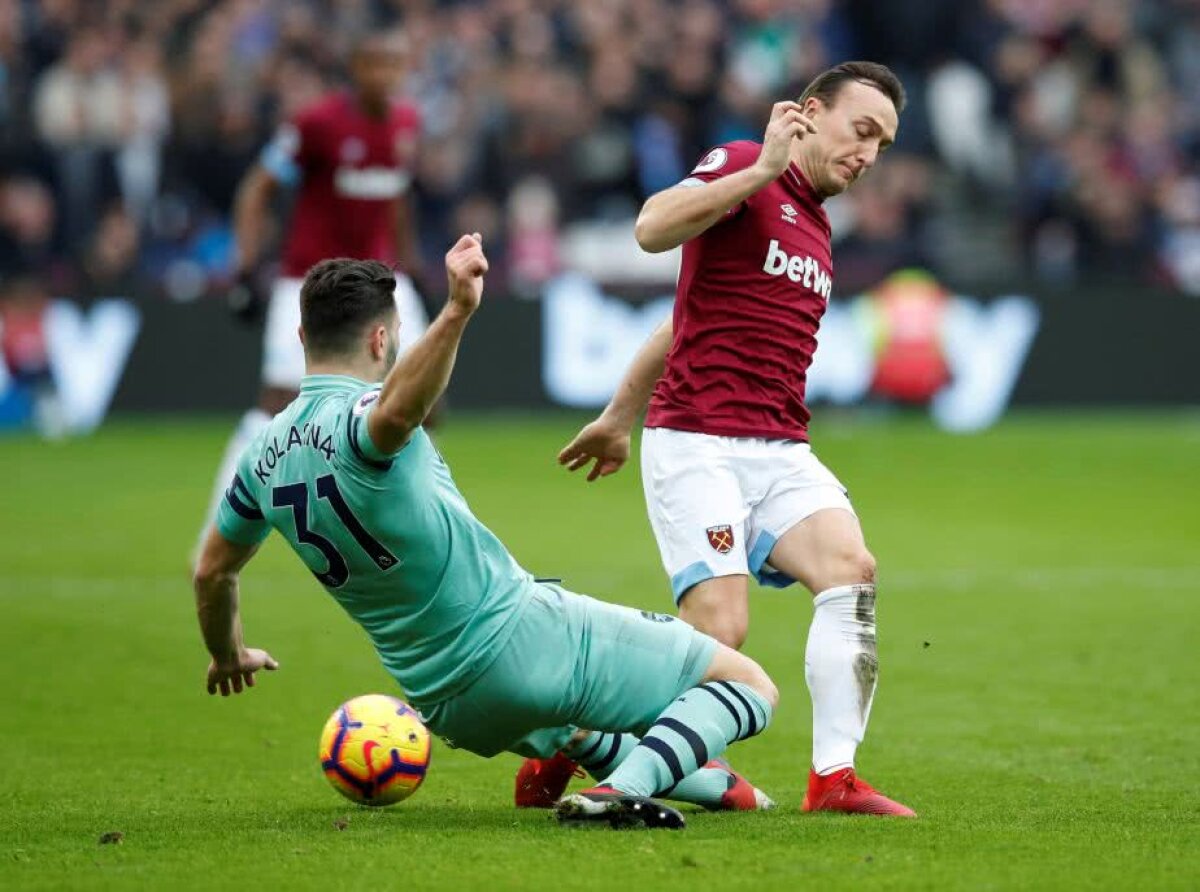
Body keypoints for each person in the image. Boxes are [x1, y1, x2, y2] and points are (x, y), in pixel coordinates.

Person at [192, 238, 779, 830]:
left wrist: (227, 653)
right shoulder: (362, 419)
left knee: (582, 732)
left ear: (300, 340)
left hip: (443, 703)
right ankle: (620, 792)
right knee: (748, 684)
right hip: (519, 640)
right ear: (381, 340)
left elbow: (212, 571)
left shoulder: (259, 456)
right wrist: (457, 310)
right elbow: (394, 416)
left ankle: (729, 795)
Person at [539, 62, 916, 817]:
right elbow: (650, 229)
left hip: (779, 448)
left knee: (852, 572)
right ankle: (577, 738)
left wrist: (616, 414)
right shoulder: (748, 163)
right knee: (722, 632)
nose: (869, 155)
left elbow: (685, 319)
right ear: (810, 113)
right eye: (862, 130)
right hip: (697, 441)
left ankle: (833, 779)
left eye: (882, 143)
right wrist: (765, 168)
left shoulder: (817, 223)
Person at [195, 29, 428, 560]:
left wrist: (412, 265)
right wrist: (245, 265)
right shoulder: (315, 125)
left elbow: (396, 200)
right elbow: (257, 188)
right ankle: (217, 529)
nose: (386, 76)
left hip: (381, 277)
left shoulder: (407, 123)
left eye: (395, 64)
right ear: (355, 67)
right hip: (308, 279)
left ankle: (402, 521)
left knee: (424, 397)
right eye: (376, 64)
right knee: (277, 402)